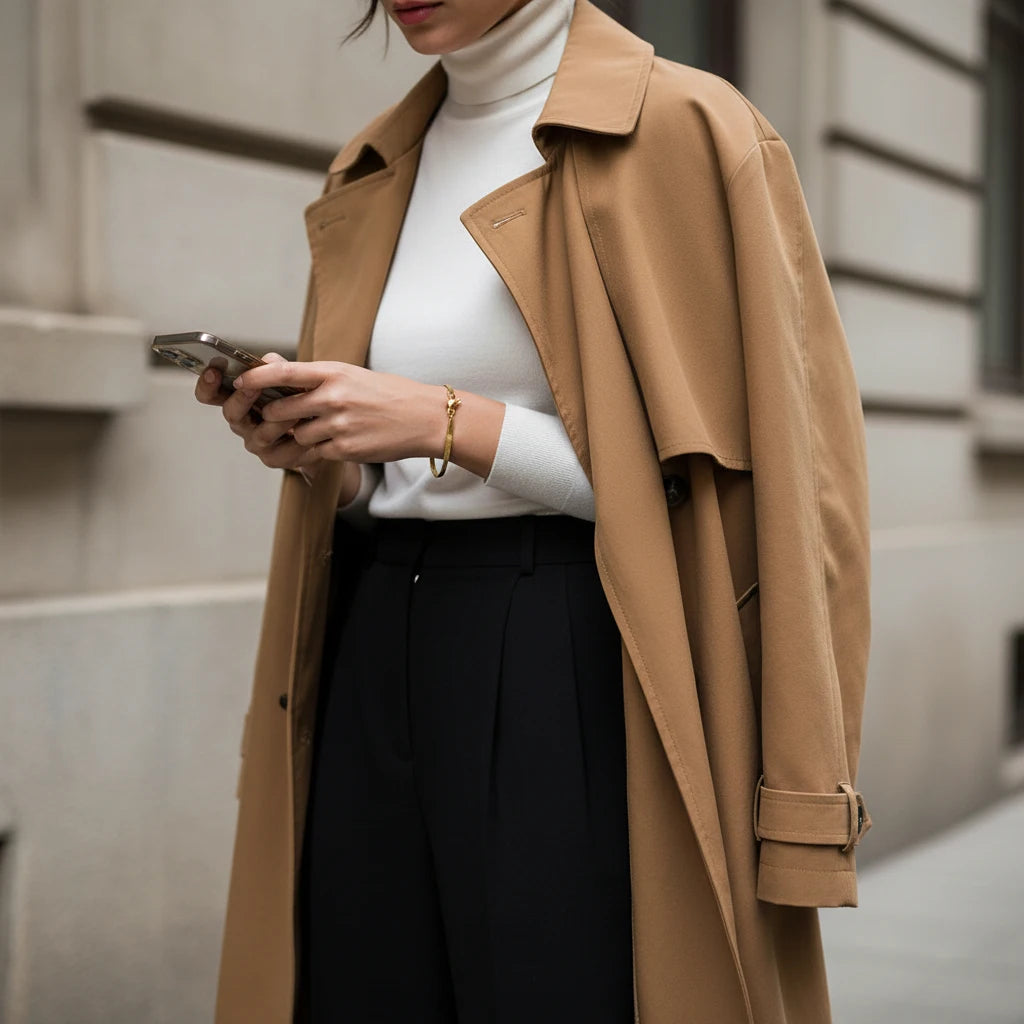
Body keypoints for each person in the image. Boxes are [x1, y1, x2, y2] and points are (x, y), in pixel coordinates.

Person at [202, 1, 873, 1022]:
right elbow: (388, 476)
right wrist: (314, 446)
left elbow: (753, 492)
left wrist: (445, 419)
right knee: (358, 984)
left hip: (573, 641)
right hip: (375, 635)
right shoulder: (379, 159)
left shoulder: (687, 131)